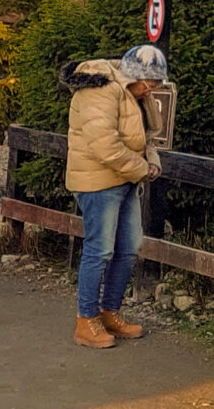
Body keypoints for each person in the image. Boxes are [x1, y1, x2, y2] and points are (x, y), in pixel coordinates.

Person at [61, 45, 167, 348]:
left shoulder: (135, 94)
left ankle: (110, 312)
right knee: (100, 249)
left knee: (129, 246)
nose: (156, 89)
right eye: (154, 83)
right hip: (98, 180)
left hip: (124, 178)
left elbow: (145, 137)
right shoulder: (101, 91)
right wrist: (141, 168)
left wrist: (152, 161)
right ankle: (86, 320)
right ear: (140, 78)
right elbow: (103, 144)